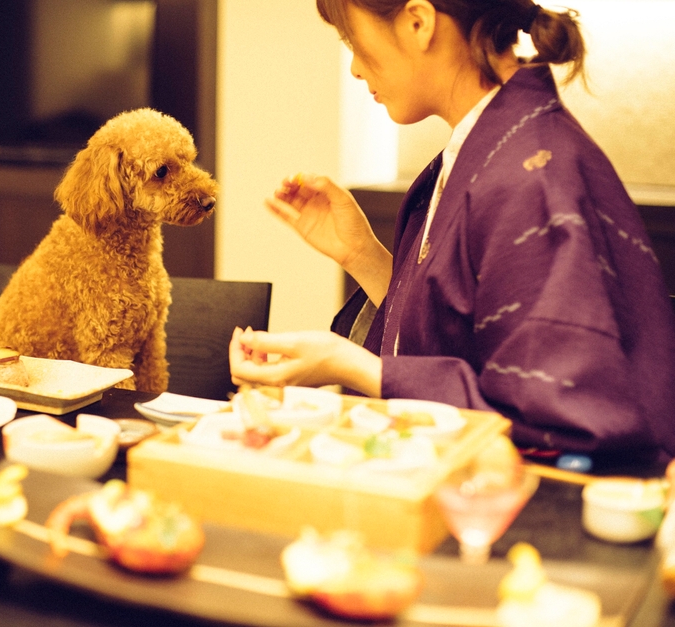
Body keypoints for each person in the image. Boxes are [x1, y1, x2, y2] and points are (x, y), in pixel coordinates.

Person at [229, 0, 675, 465]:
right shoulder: (488, 147)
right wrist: (362, 255)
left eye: (353, 42)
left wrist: (350, 365)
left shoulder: (534, 174)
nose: (357, 69)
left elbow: (553, 424)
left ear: (418, 22)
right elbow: (456, 334)